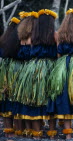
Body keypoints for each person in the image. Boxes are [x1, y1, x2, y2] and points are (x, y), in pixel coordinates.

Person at [13, 9, 58, 139]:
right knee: (50, 100)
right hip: (51, 68)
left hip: (34, 69)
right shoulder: (55, 35)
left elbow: (26, 54)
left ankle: (37, 134)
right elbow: (58, 53)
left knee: (35, 100)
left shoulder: (31, 36)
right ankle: (52, 134)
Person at [47, 8, 73, 139]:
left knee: (65, 97)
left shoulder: (60, 34)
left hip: (63, 65)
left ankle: (68, 134)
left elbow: (58, 54)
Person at [11, 11, 38, 137]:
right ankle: (34, 130)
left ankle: (25, 130)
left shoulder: (22, 38)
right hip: (33, 70)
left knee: (23, 100)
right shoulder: (34, 38)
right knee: (32, 99)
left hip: (23, 72)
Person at [0, 17, 20, 138]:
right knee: (15, 97)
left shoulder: (2, 40)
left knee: (5, 97)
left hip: (4, 70)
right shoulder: (17, 41)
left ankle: (8, 130)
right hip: (16, 70)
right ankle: (17, 130)